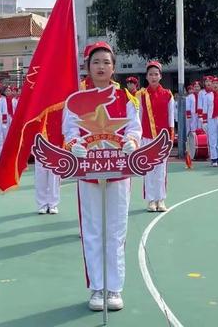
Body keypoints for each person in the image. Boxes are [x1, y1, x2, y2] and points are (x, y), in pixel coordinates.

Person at [63, 41, 141, 312]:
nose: (101, 67)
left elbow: (135, 126)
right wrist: (74, 144)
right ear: (87, 66)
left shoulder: (126, 98)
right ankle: (97, 287)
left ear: (114, 67)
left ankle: (114, 287)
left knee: (116, 230)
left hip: (119, 172)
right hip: (88, 172)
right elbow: (69, 129)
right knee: (93, 231)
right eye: (96, 62)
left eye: (106, 62)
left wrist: (132, 140)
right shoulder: (76, 99)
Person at [136, 61, 175, 212]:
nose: (153, 77)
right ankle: (151, 200)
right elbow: (138, 117)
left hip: (163, 138)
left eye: (156, 74)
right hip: (146, 136)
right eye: (150, 74)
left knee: (161, 170)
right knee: (149, 170)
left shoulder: (168, 94)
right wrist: (138, 138)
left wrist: (170, 138)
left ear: (160, 76)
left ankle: (161, 199)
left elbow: (171, 117)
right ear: (146, 76)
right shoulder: (141, 94)